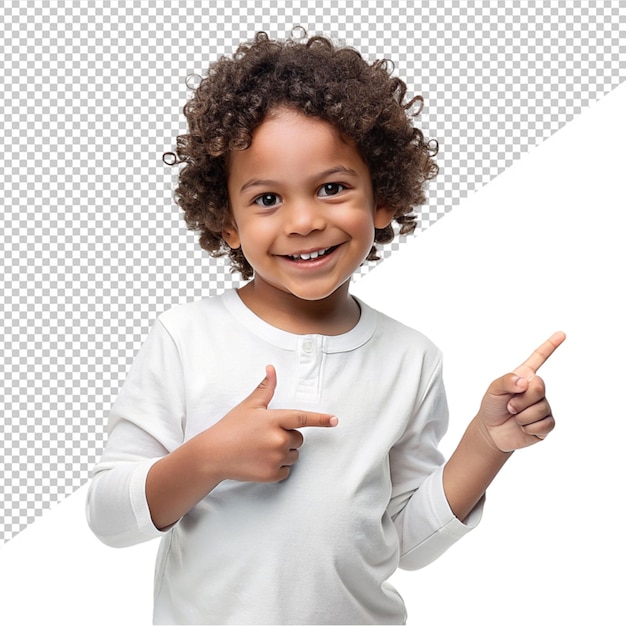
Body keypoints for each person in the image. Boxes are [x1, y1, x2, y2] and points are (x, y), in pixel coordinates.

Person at [86, 31, 565, 625]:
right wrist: (207, 457)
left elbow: (407, 546)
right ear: (226, 221)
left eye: (332, 188)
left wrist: (488, 445)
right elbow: (109, 517)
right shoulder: (185, 337)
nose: (305, 220)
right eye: (266, 198)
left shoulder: (410, 358)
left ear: (382, 198)